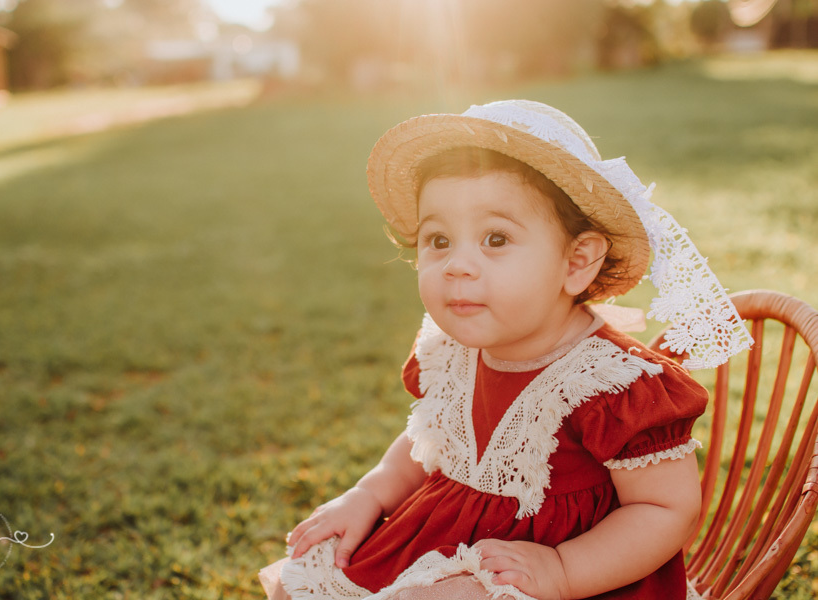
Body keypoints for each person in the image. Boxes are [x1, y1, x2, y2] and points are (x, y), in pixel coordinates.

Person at [259, 100, 753, 600]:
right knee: (309, 571)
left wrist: (563, 569)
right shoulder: (451, 351)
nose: (457, 265)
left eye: (495, 238)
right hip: (443, 543)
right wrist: (369, 492)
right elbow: (428, 442)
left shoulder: (613, 384)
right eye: (438, 239)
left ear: (577, 261)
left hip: (575, 574)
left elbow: (667, 510)